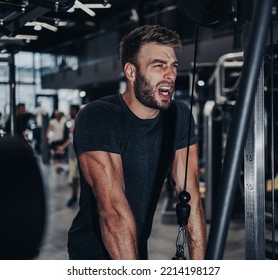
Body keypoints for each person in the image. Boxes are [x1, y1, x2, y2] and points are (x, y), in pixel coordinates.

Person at [67, 25, 206, 260]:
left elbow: (190, 194)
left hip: (136, 248)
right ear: (131, 72)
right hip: (93, 256)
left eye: (173, 65)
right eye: (159, 65)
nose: (171, 75)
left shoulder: (178, 116)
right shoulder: (98, 117)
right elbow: (113, 213)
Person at [54, 104, 81, 207]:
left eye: (71, 110)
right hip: (73, 154)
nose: (69, 112)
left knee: (80, 177)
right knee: (74, 177)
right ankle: (74, 196)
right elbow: (70, 139)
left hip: (79, 154)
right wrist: (63, 147)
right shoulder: (72, 122)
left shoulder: (80, 121)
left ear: (74, 111)